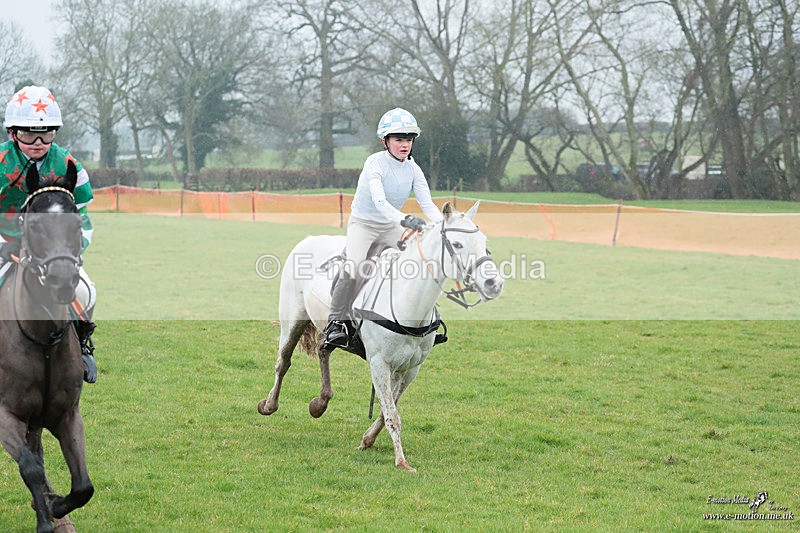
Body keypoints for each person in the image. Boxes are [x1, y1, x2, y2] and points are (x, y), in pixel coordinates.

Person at [0, 85, 98, 383]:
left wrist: (69, 251)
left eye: (47, 134)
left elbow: (81, 217)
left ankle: (82, 346)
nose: (38, 142)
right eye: (29, 134)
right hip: (4, 244)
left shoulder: (69, 165)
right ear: (13, 133)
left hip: (51, 250)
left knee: (85, 291)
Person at [323, 107, 443, 349]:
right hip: (364, 225)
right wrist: (405, 219)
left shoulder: (413, 168)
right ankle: (335, 323)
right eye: (399, 139)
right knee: (354, 265)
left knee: (418, 259)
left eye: (409, 139)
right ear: (385, 141)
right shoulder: (374, 163)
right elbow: (380, 202)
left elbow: (427, 204)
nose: (405, 144)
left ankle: (426, 320)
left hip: (390, 225)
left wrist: (443, 225)